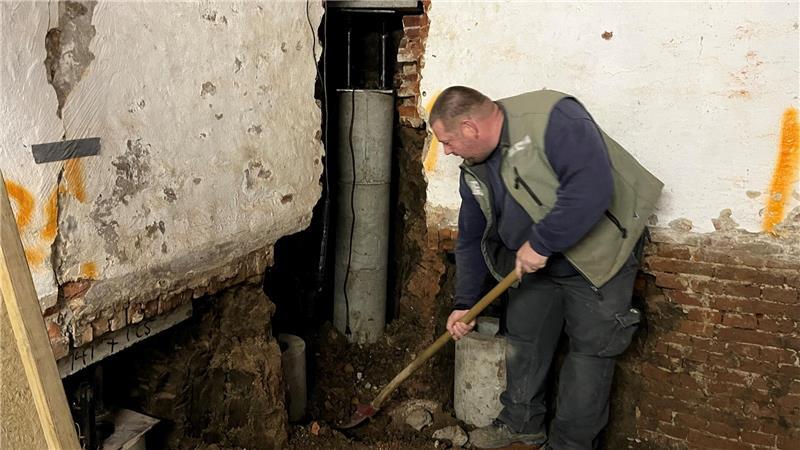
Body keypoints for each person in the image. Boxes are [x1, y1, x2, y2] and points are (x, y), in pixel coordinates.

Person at [429, 86, 663, 450]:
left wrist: (541, 243)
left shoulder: (553, 117)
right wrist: (465, 302)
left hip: (599, 257)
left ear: (470, 128)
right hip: (536, 267)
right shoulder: (475, 169)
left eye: (447, 141)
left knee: (589, 356)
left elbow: (592, 188)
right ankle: (521, 424)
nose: (445, 151)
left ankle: (570, 444)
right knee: (524, 341)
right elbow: (472, 238)